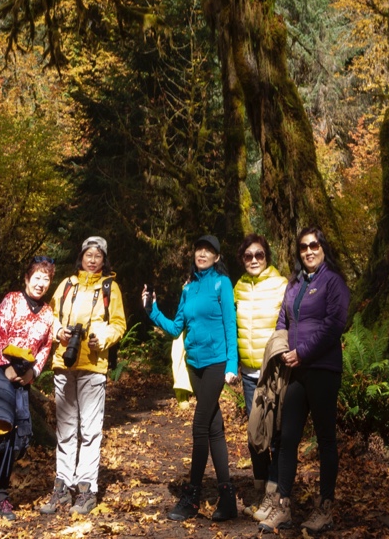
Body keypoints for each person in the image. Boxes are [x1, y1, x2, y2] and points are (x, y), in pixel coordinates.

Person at [143, 233, 240, 522]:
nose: (202, 254)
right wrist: (152, 311)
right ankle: (227, 497)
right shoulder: (188, 288)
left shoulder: (222, 284)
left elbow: (230, 325)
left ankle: (192, 496)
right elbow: (175, 328)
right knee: (214, 429)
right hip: (195, 365)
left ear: (217, 257)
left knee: (200, 426)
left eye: (209, 250)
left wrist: (231, 365)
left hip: (216, 363)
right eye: (199, 249)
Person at [259, 227, 349, 534]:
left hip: (323, 369)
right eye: (303, 247)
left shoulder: (333, 282)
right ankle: (284, 505)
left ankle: (325, 507)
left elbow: (335, 324)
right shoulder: (295, 284)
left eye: (314, 245)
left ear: (323, 248)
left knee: (325, 440)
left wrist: (303, 352)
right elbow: (284, 319)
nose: (308, 251)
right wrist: (282, 347)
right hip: (295, 371)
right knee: (287, 438)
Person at [40, 235, 126, 516]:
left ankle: (87, 488)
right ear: (81, 257)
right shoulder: (66, 285)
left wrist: (102, 339)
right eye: (88, 254)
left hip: (93, 366)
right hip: (64, 365)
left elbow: (118, 325)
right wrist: (58, 332)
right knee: (65, 430)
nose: (92, 259)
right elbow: (49, 316)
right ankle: (62, 486)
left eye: (97, 255)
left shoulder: (110, 288)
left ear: (104, 259)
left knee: (89, 430)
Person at [0, 256, 58, 522]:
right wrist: (5, 366)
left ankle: (2, 494)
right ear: (27, 278)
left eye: (46, 278)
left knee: (13, 439)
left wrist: (34, 372)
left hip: (22, 380)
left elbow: (46, 346)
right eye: (37, 277)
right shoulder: (11, 300)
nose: (41, 283)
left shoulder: (48, 313)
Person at [232, 233, 288, 503]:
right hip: (249, 374)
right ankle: (260, 479)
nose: (254, 260)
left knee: (276, 430)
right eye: (248, 256)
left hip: (275, 372)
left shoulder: (280, 284)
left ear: (266, 257)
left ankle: (274, 485)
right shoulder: (238, 287)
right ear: (242, 260)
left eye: (259, 255)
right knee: (255, 431)